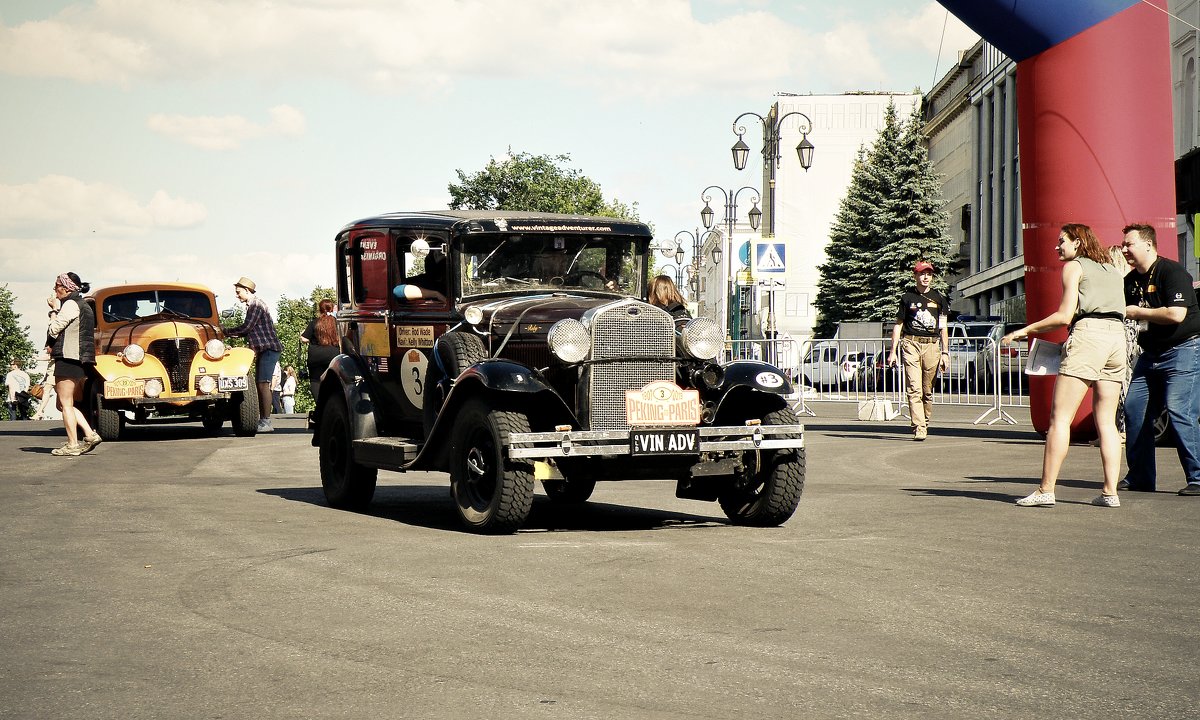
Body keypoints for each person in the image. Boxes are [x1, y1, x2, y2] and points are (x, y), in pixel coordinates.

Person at [1003, 224, 1127, 507]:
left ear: (1078, 242)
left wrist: (1026, 330)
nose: (1057, 247)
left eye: (1062, 241)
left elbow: (1063, 315)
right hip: (1116, 340)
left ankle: (1046, 490)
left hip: (1088, 336)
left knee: (1059, 420)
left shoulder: (1074, 266)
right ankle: (1110, 492)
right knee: (1107, 422)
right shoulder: (1111, 269)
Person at [1119, 223, 1200, 496]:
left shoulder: (1171, 271)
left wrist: (1137, 312)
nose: (1124, 248)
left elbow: (1177, 315)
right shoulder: (1130, 281)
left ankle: (1198, 478)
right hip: (1150, 354)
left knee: (1180, 411)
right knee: (1134, 409)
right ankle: (1141, 477)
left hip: (1183, 350)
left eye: (1129, 244)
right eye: (1124, 244)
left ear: (1148, 244)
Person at [886, 261, 950, 441]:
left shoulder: (938, 299)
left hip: (932, 346)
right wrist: (893, 352)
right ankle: (919, 427)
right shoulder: (907, 298)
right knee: (914, 388)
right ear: (915, 276)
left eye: (929, 274)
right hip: (910, 344)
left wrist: (945, 353)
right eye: (922, 274)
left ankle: (924, 421)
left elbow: (943, 327)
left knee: (926, 390)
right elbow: (898, 326)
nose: (926, 277)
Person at [45, 272, 101, 456]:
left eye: (57, 286)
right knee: (64, 403)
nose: (55, 289)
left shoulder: (70, 304)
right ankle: (90, 434)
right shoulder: (84, 305)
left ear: (66, 287)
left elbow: (54, 329)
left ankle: (72, 444)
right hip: (80, 360)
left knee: (65, 403)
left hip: (68, 357)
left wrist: (54, 310)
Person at [224, 277, 283, 434]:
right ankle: (263, 420)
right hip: (264, 349)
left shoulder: (255, 305)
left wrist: (225, 331)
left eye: (238, 292)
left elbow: (246, 328)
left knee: (263, 384)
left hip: (268, 349)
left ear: (247, 290)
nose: (237, 295)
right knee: (260, 384)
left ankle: (266, 421)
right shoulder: (255, 305)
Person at [300, 299, 340, 399]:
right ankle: (331, 406)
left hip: (316, 356)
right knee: (333, 381)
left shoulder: (315, 322)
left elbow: (304, 338)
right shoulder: (337, 323)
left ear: (320, 310)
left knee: (315, 381)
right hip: (333, 355)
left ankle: (319, 407)